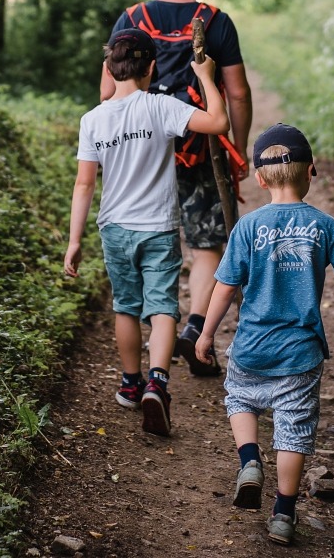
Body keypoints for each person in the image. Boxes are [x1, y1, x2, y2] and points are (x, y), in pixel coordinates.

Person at [195, 123, 334, 546]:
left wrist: (204, 334)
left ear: (258, 178)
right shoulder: (325, 226)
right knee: (294, 429)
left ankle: (250, 461)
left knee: (240, 398)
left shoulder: (248, 228)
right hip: (300, 353)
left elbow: (225, 286)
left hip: (252, 345)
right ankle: (283, 516)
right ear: (312, 172)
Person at [65, 27, 230, 436]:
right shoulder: (161, 106)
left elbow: (84, 184)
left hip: (115, 229)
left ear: (108, 68)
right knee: (161, 308)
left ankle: (130, 382)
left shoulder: (93, 119)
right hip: (157, 227)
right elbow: (219, 122)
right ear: (151, 67)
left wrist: (73, 242)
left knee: (125, 306)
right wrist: (205, 75)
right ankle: (158, 380)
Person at [105, 0, 253, 378]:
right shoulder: (214, 20)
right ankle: (192, 329)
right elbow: (239, 93)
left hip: (143, 152)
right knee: (208, 245)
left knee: (151, 242)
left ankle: (150, 343)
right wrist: (239, 151)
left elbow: (109, 92)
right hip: (200, 147)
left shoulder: (132, 18)